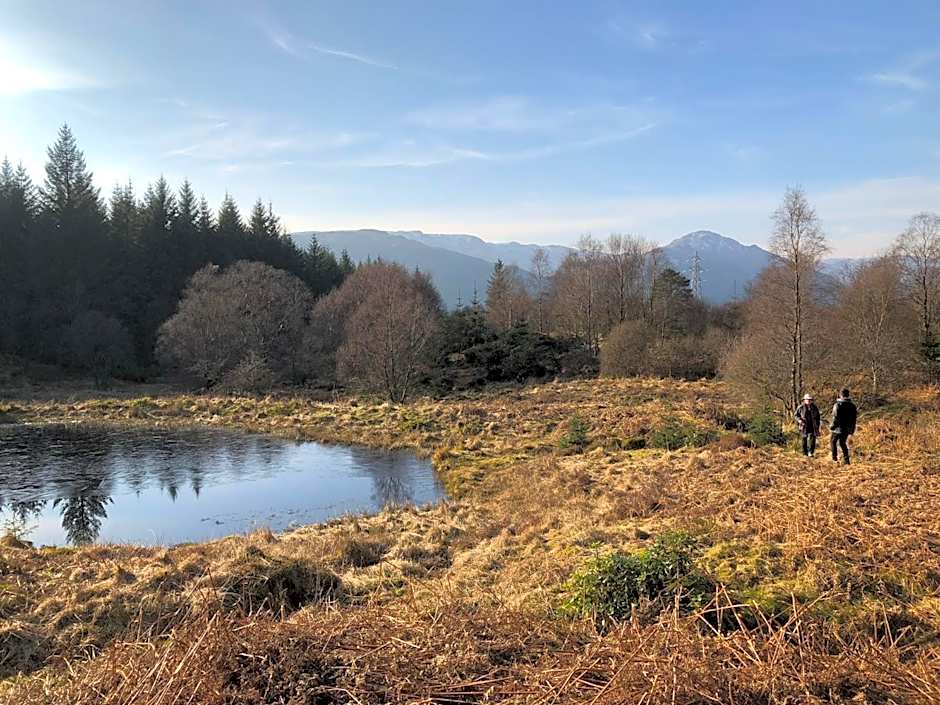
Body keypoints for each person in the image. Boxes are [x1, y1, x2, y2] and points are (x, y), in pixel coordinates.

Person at [829, 388, 857, 465]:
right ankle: (846, 460)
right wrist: (852, 429)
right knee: (842, 443)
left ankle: (834, 459)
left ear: (840, 395)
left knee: (832, 442)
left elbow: (835, 417)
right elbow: (854, 419)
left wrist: (832, 426)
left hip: (838, 428)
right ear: (848, 395)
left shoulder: (837, 405)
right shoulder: (852, 406)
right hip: (847, 429)